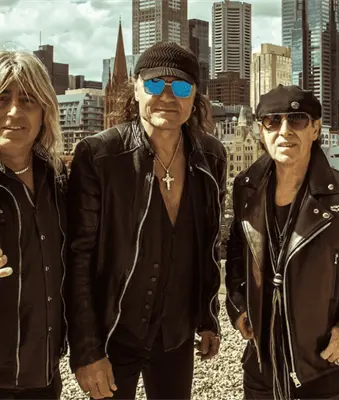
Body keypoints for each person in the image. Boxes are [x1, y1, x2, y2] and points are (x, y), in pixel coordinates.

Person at [66, 42, 226, 400]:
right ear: (136, 88)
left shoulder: (211, 155)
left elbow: (209, 245)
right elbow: (78, 258)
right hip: (114, 333)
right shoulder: (99, 155)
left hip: (176, 334)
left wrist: (208, 317)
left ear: (194, 96)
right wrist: (88, 350)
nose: (167, 96)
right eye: (154, 84)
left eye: (181, 86)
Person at [225, 84, 339, 400]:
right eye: (272, 121)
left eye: (296, 120)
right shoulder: (246, 188)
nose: (284, 131)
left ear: (316, 129)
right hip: (261, 365)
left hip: (322, 366)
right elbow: (238, 252)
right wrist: (240, 306)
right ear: (260, 131)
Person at [0, 51, 68, 400]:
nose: (14, 111)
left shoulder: (56, 177)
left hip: (43, 371)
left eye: (27, 100)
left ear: (45, 113)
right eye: (2, 99)